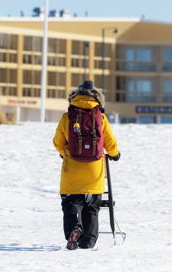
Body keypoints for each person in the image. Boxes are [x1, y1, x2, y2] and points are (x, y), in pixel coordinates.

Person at [53, 80, 120, 250]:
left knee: (70, 204)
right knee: (91, 208)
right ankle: (88, 243)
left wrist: (65, 154)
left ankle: (73, 230)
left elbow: (57, 142)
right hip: (94, 172)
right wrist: (115, 155)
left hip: (72, 171)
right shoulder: (100, 117)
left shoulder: (67, 117)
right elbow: (110, 143)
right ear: (96, 97)